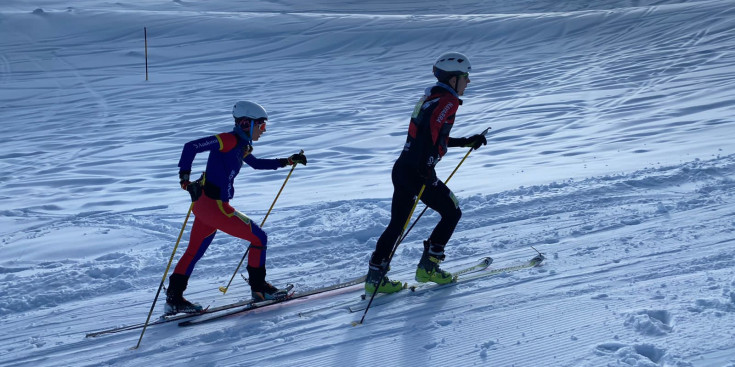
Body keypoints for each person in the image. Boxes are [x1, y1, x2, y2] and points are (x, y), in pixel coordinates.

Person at [165, 100, 307, 315]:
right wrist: (184, 179)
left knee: (193, 252)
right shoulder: (228, 140)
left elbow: (257, 164)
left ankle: (174, 299)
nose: (264, 131)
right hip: (215, 207)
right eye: (261, 126)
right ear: (245, 123)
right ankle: (260, 290)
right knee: (259, 238)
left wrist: (287, 161)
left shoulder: (242, 145)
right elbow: (191, 147)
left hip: (205, 206)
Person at [365, 52, 487, 294]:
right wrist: (427, 166)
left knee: (397, 225)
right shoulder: (447, 101)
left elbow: (433, 134)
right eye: (465, 77)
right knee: (452, 212)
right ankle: (429, 268)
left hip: (403, 168)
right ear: (453, 79)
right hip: (417, 171)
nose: (468, 82)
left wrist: (465, 141)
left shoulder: (432, 97)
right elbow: (427, 136)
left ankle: (374, 278)